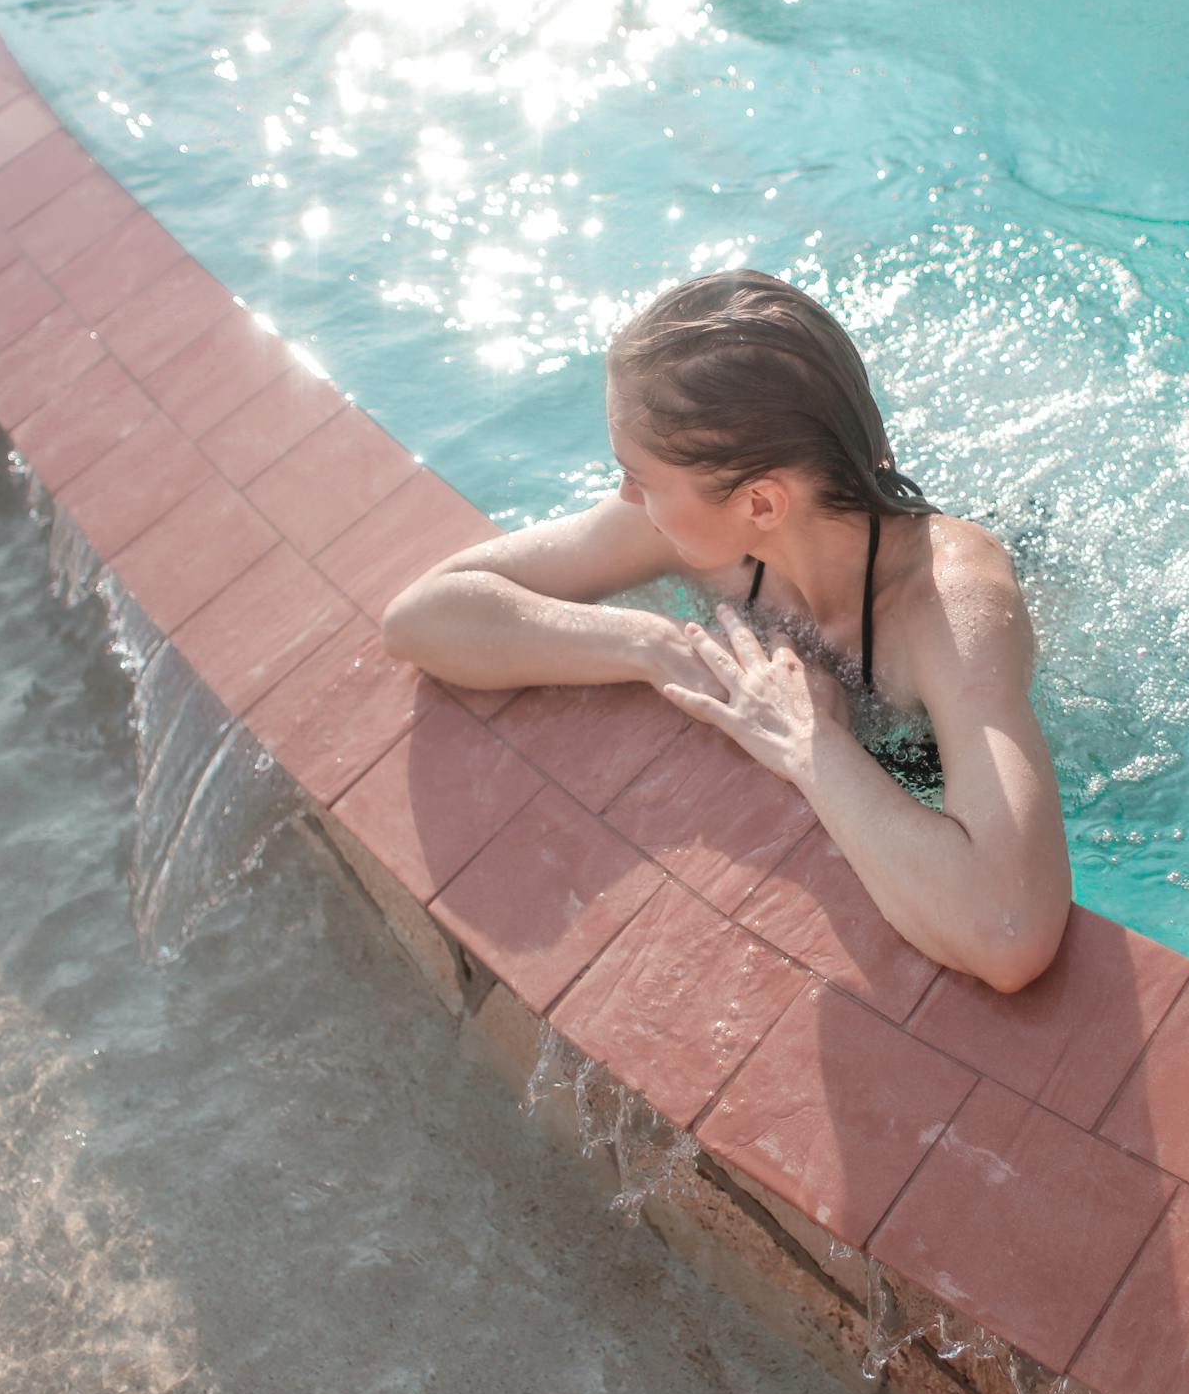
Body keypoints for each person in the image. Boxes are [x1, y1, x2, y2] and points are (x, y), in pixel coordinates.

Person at [381, 270, 1070, 993]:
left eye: (638, 475)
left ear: (762, 502)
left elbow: (1009, 932)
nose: (624, 495)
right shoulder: (713, 531)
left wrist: (810, 745)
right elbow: (423, 614)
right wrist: (652, 647)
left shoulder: (946, 608)